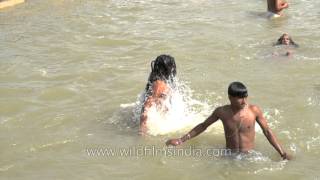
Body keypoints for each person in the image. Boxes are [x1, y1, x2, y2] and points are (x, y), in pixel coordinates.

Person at [166, 82, 292, 160]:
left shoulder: (254, 110)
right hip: (229, 156)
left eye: (245, 97)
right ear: (230, 98)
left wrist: (282, 153)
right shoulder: (222, 112)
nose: (244, 101)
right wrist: (181, 140)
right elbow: (204, 126)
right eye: (240, 98)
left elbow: (267, 131)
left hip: (251, 156)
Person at [139, 54, 177, 135]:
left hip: (160, 120)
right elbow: (147, 104)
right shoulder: (159, 84)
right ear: (168, 68)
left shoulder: (157, 81)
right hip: (156, 124)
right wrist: (143, 127)